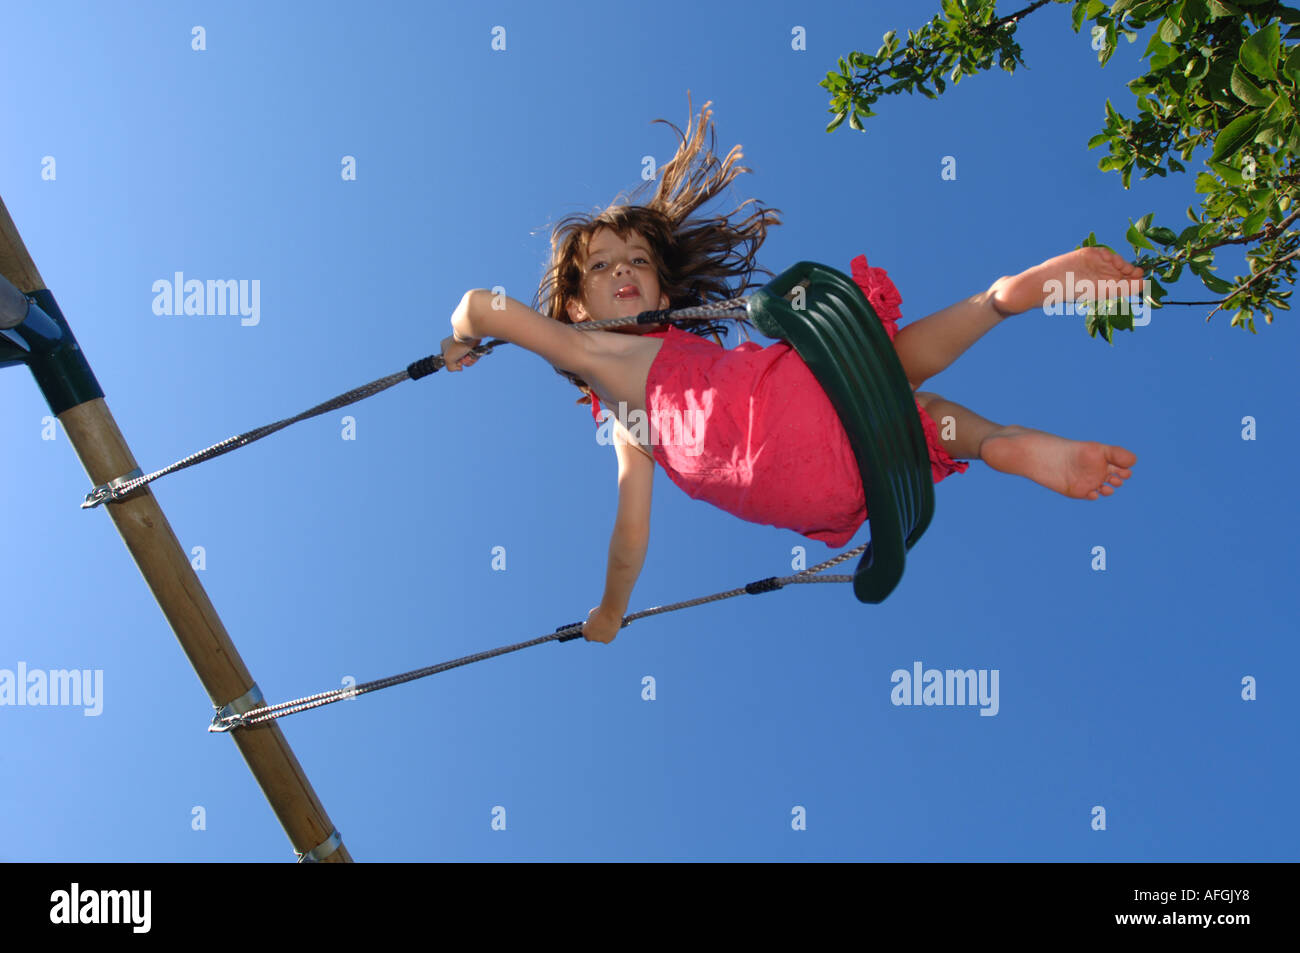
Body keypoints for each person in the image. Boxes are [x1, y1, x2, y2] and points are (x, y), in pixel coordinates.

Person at [439, 97, 1139, 644]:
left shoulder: (622, 414)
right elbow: (484, 306)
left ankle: (1001, 438)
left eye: (638, 261)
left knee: (905, 406)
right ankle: (999, 302)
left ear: (664, 292)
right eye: (600, 265)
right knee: (887, 371)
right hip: (785, 403)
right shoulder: (593, 353)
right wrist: (467, 331)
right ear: (574, 308)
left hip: (807, 487)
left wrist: (610, 610)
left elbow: (631, 532)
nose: (623, 267)